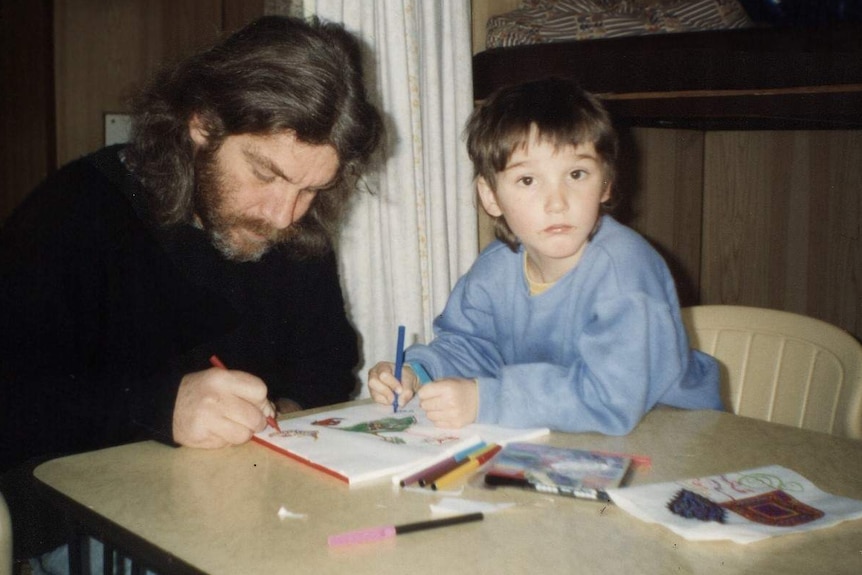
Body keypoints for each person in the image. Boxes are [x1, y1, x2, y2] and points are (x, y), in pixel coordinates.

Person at [0, 14, 382, 564]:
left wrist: (282, 415)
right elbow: (16, 397)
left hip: (255, 515)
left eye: (311, 189)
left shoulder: (297, 225)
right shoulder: (73, 212)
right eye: (267, 174)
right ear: (201, 124)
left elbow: (328, 362)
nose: (284, 215)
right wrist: (161, 406)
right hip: (88, 529)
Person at [368, 76, 721, 434]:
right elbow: (470, 348)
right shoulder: (496, 268)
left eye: (576, 174)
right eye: (527, 180)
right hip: (572, 437)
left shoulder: (625, 268)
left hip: (672, 433)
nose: (557, 202)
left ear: (606, 183)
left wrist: (486, 400)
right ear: (490, 196)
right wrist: (415, 371)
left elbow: (611, 398)